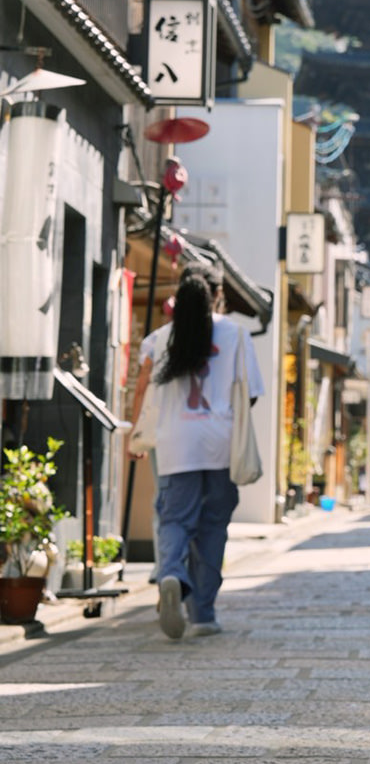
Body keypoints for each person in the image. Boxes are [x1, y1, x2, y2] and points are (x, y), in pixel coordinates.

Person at [129, 267, 264, 641]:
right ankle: (203, 613)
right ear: (217, 294)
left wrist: (135, 438)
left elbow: (145, 391)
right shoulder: (236, 333)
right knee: (213, 526)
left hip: (175, 444)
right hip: (220, 444)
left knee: (175, 519)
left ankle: (171, 573)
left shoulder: (159, 339)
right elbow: (250, 392)